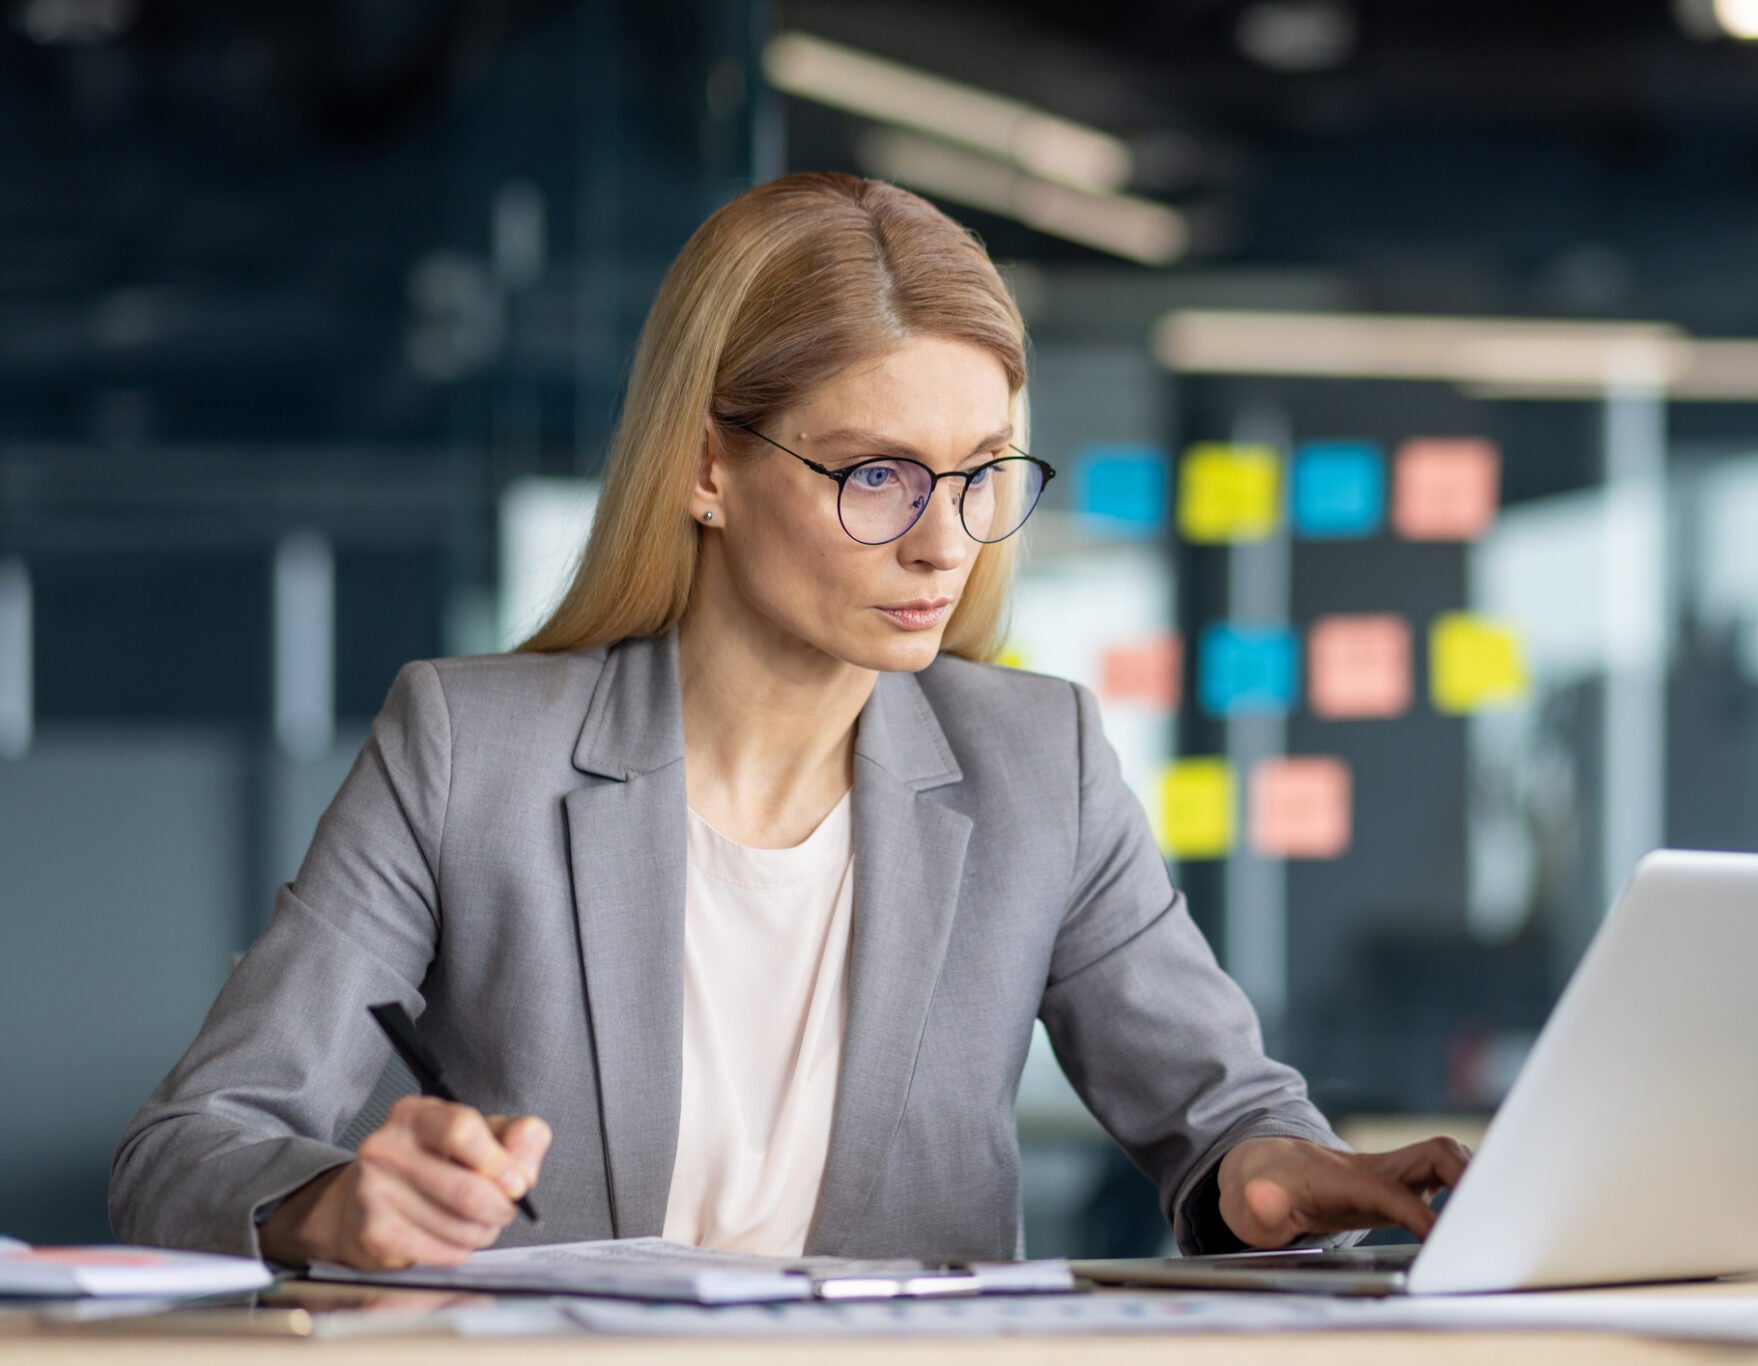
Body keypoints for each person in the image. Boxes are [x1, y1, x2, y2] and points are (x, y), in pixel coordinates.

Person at [109, 172, 1468, 1271]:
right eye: (879, 475)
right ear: (708, 466)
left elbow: (1226, 1115)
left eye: (981, 474)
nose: (945, 545)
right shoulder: (470, 750)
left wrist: (1286, 1168)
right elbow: (193, 1142)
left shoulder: (1036, 762)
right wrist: (332, 1202)